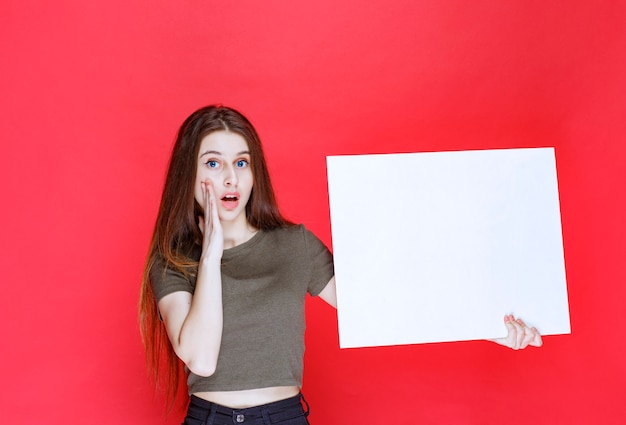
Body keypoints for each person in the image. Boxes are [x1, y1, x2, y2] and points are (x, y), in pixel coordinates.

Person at [139, 105, 542, 425]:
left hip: (283, 418)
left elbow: (382, 304)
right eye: (213, 163)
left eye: (241, 163)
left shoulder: (293, 245)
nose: (230, 178)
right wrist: (210, 254)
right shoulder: (173, 260)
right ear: (188, 174)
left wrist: (490, 328)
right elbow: (202, 360)